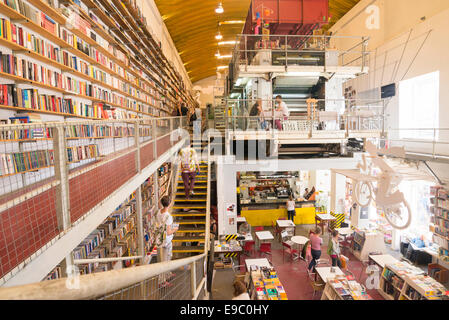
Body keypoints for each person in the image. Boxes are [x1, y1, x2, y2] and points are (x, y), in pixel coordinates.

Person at [156, 195, 178, 287]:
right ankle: (161, 281)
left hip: (160, 238)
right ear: (169, 204)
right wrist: (175, 229)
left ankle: (168, 274)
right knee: (165, 261)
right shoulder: (168, 216)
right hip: (167, 240)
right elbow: (169, 232)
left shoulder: (158, 212)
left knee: (168, 256)